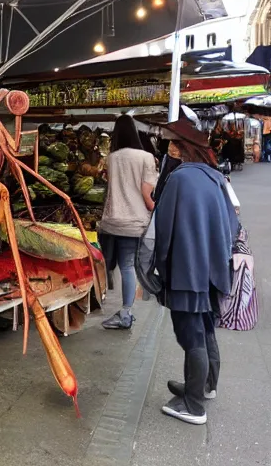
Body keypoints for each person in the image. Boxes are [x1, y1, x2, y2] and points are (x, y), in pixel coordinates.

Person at [154, 118, 239, 425]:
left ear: (181, 147)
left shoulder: (180, 178)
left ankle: (193, 405)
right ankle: (204, 385)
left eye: (170, 143)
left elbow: (163, 230)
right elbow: (234, 224)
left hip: (187, 269)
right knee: (205, 329)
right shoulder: (214, 176)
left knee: (192, 335)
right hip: (213, 268)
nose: (167, 148)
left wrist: (158, 268)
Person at [99, 114, 157, 329]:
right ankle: (125, 313)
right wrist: (154, 207)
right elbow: (146, 191)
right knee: (128, 266)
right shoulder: (145, 157)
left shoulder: (112, 157)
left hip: (112, 220)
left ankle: (119, 310)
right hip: (135, 220)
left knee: (116, 264)